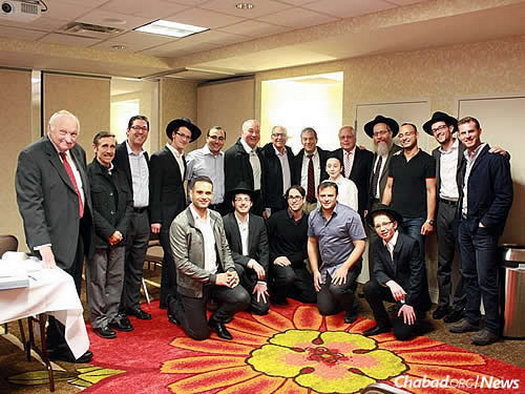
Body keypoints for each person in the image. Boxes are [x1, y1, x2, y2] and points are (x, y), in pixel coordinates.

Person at [16, 110, 94, 363]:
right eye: (64, 132)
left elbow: (80, 191)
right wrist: (43, 245)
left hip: (79, 232)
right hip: (52, 240)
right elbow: (31, 204)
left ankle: (60, 340)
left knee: (72, 289)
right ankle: (60, 345)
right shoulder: (32, 155)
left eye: (73, 134)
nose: (69, 139)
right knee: (59, 292)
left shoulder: (78, 152)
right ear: (50, 128)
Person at [449, 116, 512, 346]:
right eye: (463, 133)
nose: (467, 136)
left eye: (471, 131)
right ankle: (472, 318)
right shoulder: (465, 158)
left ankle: (493, 328)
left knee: (487, 278)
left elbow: (504, 197)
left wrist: (486, 223)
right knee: (469, 274)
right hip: (465, 224)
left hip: (483, 228)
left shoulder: (495, 159)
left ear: (479, 131)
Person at [169, 176, 250, 340]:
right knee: (200, 335)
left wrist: (230, 269)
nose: (204, 196)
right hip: (193, 284)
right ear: (190, 193)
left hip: (216, 278)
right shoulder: (180, 223)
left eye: (208, 193)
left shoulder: (216, 217)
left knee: (242, 298)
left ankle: (216, 321)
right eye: (199, 192)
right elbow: (182, 264)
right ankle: (175, 306)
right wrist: (214, 278)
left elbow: (224, 248)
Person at [150, 118, 201, 323]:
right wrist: (155, 219)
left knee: (177, 259)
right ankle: (172, 301)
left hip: (178, 215)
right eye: (182, 135)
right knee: (172, 259)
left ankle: (167, 299)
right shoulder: (159, 157)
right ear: (173, 135)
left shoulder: (183, 158)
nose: (185, 139)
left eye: (188, 137)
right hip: (164, 218)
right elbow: (155, 190)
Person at [86, 132, 132, 339]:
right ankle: (99, 320)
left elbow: (128, 204)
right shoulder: (87, 173)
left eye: (112, 147)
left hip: (119, 237)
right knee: (97, 280)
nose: (109, 151)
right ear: (95, 148)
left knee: (115, 279)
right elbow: (89, 208)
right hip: (98, 237)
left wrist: (119, 231)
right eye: (104, 146)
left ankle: (112, 315)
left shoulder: (120, 173)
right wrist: (109, 232)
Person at [363, 205, 431, 340]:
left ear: (394, 224)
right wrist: (391, 283)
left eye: (385, 224)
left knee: (402, 334)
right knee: (369, 287)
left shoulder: (410, 243)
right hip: (394, 290)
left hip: (412, 294)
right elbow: (378, 270)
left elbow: (417, 278)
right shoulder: (377, 244)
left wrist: (408, 303)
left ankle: (418, 318)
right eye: (377, 226)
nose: (382, 229)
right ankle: (382, 324)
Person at [423, 112, 466, 323]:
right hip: (443, 209)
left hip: (463, 209)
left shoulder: (466, 149)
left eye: (441, 128)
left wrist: (502, 153)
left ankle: (459, 305)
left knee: (466, 263)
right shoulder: (435, 154)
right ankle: (443, 304)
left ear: (451, 128)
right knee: (443, 261)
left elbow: (488, 158)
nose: (438, 132)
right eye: (434, 131)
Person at [307, 181, 366, 323]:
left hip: (348, 264)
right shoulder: (313, 216)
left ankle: (352, 306)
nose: (326, 199)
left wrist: (345, 268)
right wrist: (315, 270)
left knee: (337, 289)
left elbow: (360, 244)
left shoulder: (350, 215)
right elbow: (311, 242)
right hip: (327, 267)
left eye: (330, 195)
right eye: (323, 196)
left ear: (336, 196)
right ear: (317, 196)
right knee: (325, 309)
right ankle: (344, 293)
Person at [113, 115, 151, 324]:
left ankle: (132, 304)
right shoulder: (117, 153)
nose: (140, 132)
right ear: (127, 130)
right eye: (136, 128)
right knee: (120, 266)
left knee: (137, 265)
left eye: (144, 129)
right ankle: (117, 310)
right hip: (123, 219)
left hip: (143, 217)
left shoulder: (146, 156)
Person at [382, 123, 436, 262]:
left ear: (416, 135)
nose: (404, 138)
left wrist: (429, 220)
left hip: (417, 219)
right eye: (401, 135)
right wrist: (383, 213)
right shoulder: (395, 159)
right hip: (396, 218)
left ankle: (416, 285)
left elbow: (431, 190)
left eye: (408, 134)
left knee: (415, 257)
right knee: (397, 257)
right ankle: (399, 285)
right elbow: (389, 187)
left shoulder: (428, 160)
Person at [223, 188, 270, 315]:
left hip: (253, 274)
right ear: (233, 203)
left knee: (262, 308)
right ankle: (236, 297)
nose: (243, 203)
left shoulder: (259, 222)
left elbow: (264, 251)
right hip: (234, 270)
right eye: (238, 200)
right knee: (239, 268)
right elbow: (225, 252)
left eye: (246, 200)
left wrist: (262, 281)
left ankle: (242, 299)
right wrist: (249, 261)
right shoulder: (225, 222)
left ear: (251, 203)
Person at [267, 185, 316, 305]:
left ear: (303, 199)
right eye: (291, 197)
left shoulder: (308, 221)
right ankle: (275, 292)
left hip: (296, 263)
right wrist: (274, 258)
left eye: (297, 197)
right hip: (277, 262)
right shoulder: (276, 218)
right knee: (288, 277)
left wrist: (290, 259)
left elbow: (307, 250)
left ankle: (286, 290)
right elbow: (264, 243)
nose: (294, 201)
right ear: (287, 200)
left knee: (312, 296)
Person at [224, 119, 265, 215]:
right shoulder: (232, 154)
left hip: (257, 204)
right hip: (240, 206)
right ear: (242, 132)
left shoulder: (260, 153)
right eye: (250, 131)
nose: (254, 135)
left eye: (257, 132)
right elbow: (230, 185)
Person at [186, 126, 228, 215]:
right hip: (199, 208)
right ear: (207, 138)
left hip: (222, 209)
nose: (217, 141)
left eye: (221, 138)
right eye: (213, 137)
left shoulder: (226, 158)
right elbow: (184, 181)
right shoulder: (193, 157)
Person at [332, 126, 373, 215]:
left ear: (355, 138)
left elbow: (369, 183)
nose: (346, 140)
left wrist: (367, 206)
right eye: (343, 137)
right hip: (336, 204)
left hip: (359, 204)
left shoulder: (367, 156)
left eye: (349, 137)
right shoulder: (332, 155)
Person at [365, 115, 401, 212]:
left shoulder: (401, 154)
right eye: (376, 134)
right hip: (374, 206)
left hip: (392, 207)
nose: (379, 137)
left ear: (391, 133)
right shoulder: (375, 154)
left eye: (382, 132)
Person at [293, 127, 329, 213]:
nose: (308, 142)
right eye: (305, 139)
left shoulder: (326, 156)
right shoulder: (295, 160)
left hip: (321, 203)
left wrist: (360, 150)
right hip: (302, 204)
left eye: (311, 139)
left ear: (316, 140)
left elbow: (342, 153)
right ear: (301, 141)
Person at [261, 125, 295, 216]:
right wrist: (264, 206)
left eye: (282, 135)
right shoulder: (264, 155)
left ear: (286, 138)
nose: (279, 138)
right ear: (272, 137)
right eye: (276, 135)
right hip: (272, 204)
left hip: (288, 202)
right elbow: (263, 183)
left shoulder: (290, 153)